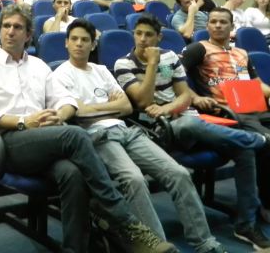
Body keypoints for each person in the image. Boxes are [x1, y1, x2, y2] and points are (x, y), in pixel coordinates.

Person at [0, 5, 176, 253]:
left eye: (17, 27)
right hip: (6, 142)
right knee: (75, 135)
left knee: (73, 174)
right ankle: (126, 223)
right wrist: (24, 121)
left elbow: (65, 101)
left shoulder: (38, 66)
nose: (10, 32)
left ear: (29, 34)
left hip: (41, 139)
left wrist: (59, 115)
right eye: (6, 26)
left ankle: (75, 248)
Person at [50, 19, 225, 253]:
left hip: (127, 130)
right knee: (134, 179)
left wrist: (95, 107)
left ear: (93, 45)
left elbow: (125, 107)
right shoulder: (60, 75)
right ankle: (157, 247)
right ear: (66, 43)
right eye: (74, 39)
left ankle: (204, 242)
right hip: (96, 135)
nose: (79, 44)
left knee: (179, 173)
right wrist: (108, 106)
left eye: (85, 40)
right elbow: (77, 112)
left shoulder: (101, 70)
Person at [115, 13, 270, 249]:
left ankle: (246, 224)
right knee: (191, 124)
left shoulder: (169, 57)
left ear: (158, 38)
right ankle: (259, 140)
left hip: (184, 117)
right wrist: (152, 65)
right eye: (138, 34)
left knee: (242, 150)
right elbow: (144, 101)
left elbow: (184, 95)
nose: (143, 39)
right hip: (158, 129)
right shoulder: (124, 64)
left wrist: (169, 107)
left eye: (149, 35)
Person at [182, 7, 270, 228]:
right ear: (207, 25)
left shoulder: (241, 53)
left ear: (232, 27)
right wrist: (194, 98)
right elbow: (176, 78)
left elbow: (257, 84)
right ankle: (266, 203)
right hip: (226, 110)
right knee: (267, 142)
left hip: (253, 107)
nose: (218, 25)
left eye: (223, 22)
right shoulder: (198, 49)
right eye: (213, 22)